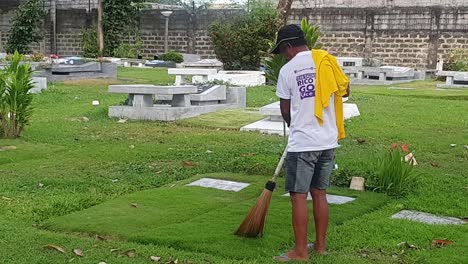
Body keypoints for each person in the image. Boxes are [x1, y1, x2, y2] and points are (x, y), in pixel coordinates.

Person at [272, 24, 350, 262]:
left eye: (283, 51)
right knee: (319, 193)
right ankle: (321, 246)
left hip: (304, 143)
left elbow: (285, 109)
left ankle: (300, 252)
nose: (283, 56)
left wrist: (296, 124)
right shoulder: (328, 62)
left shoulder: (288, 70)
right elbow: (345, 92)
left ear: (288, 46)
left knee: (298, 195)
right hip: (328, 140)